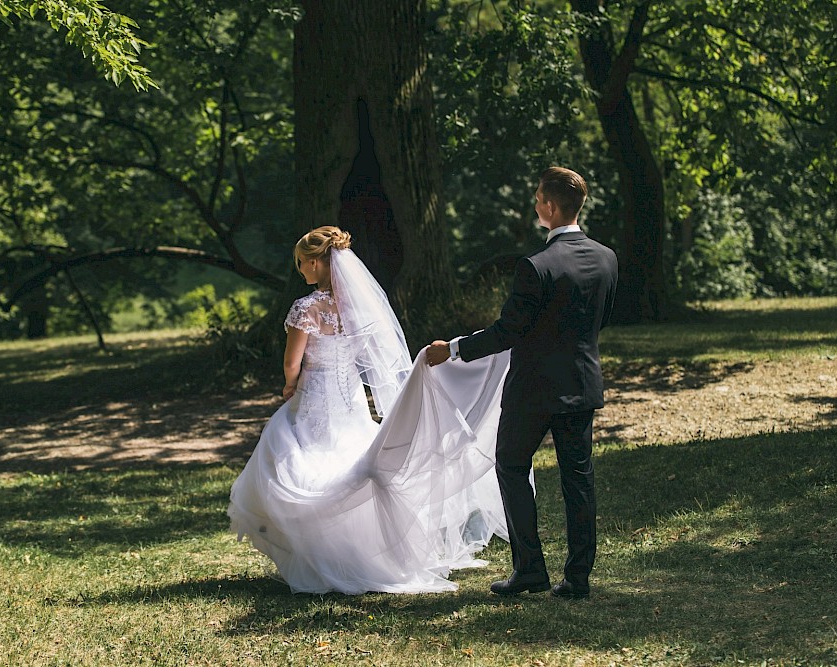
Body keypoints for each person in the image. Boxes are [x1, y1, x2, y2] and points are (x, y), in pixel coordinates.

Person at [228, 226, 511, 594]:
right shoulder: (357, 306)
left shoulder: (305, 308)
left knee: (296, 458)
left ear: (315, 262)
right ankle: (357, 548)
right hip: (351, 400)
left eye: (301, 264)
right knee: (353, 458)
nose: (300, 271)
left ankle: (321, 552)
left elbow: (291, 362)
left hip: (314, 396)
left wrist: (289, 383)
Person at [426, 167, 618, 599]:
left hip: (533, 390)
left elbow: (506, 332)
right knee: (578, 479)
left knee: (511, 465)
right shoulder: (607, 258)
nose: (534, 204)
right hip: (581, 384)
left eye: (537, 198)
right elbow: (598, 322)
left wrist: (453, 349)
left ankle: (530, 569)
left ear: (550, 207)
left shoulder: (535, 266)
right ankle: (578, 578)